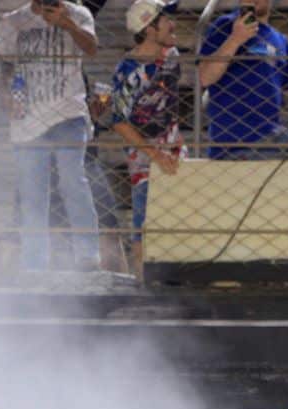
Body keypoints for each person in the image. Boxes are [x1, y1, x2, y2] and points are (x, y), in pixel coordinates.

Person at [0, 0, 103, 278]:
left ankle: (88, 255)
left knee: (72, 180)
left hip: (68, 112)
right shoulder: (13, 20)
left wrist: (66, 24)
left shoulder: (78, 13)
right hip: (27, 117)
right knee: (32, 192)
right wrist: (5, 94)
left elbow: (92, 49)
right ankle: (35, 264)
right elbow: (5, 66)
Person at [109, 0, 182, 277]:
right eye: (165, 20)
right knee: (144, 220)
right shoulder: (128, 71)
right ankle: (142, 285)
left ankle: (172, 281)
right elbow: (119, 122)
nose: (173, 24)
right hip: (144, 156)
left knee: (177, 216)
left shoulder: (172, 56)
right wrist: (155, 155)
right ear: (149, 29)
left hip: (173, 147)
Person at [199, 0, 288, 160]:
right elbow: (205, 77)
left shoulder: (280, 40)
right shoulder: (225, 25)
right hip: (232, 140)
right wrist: (235, 39)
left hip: (270, 135)